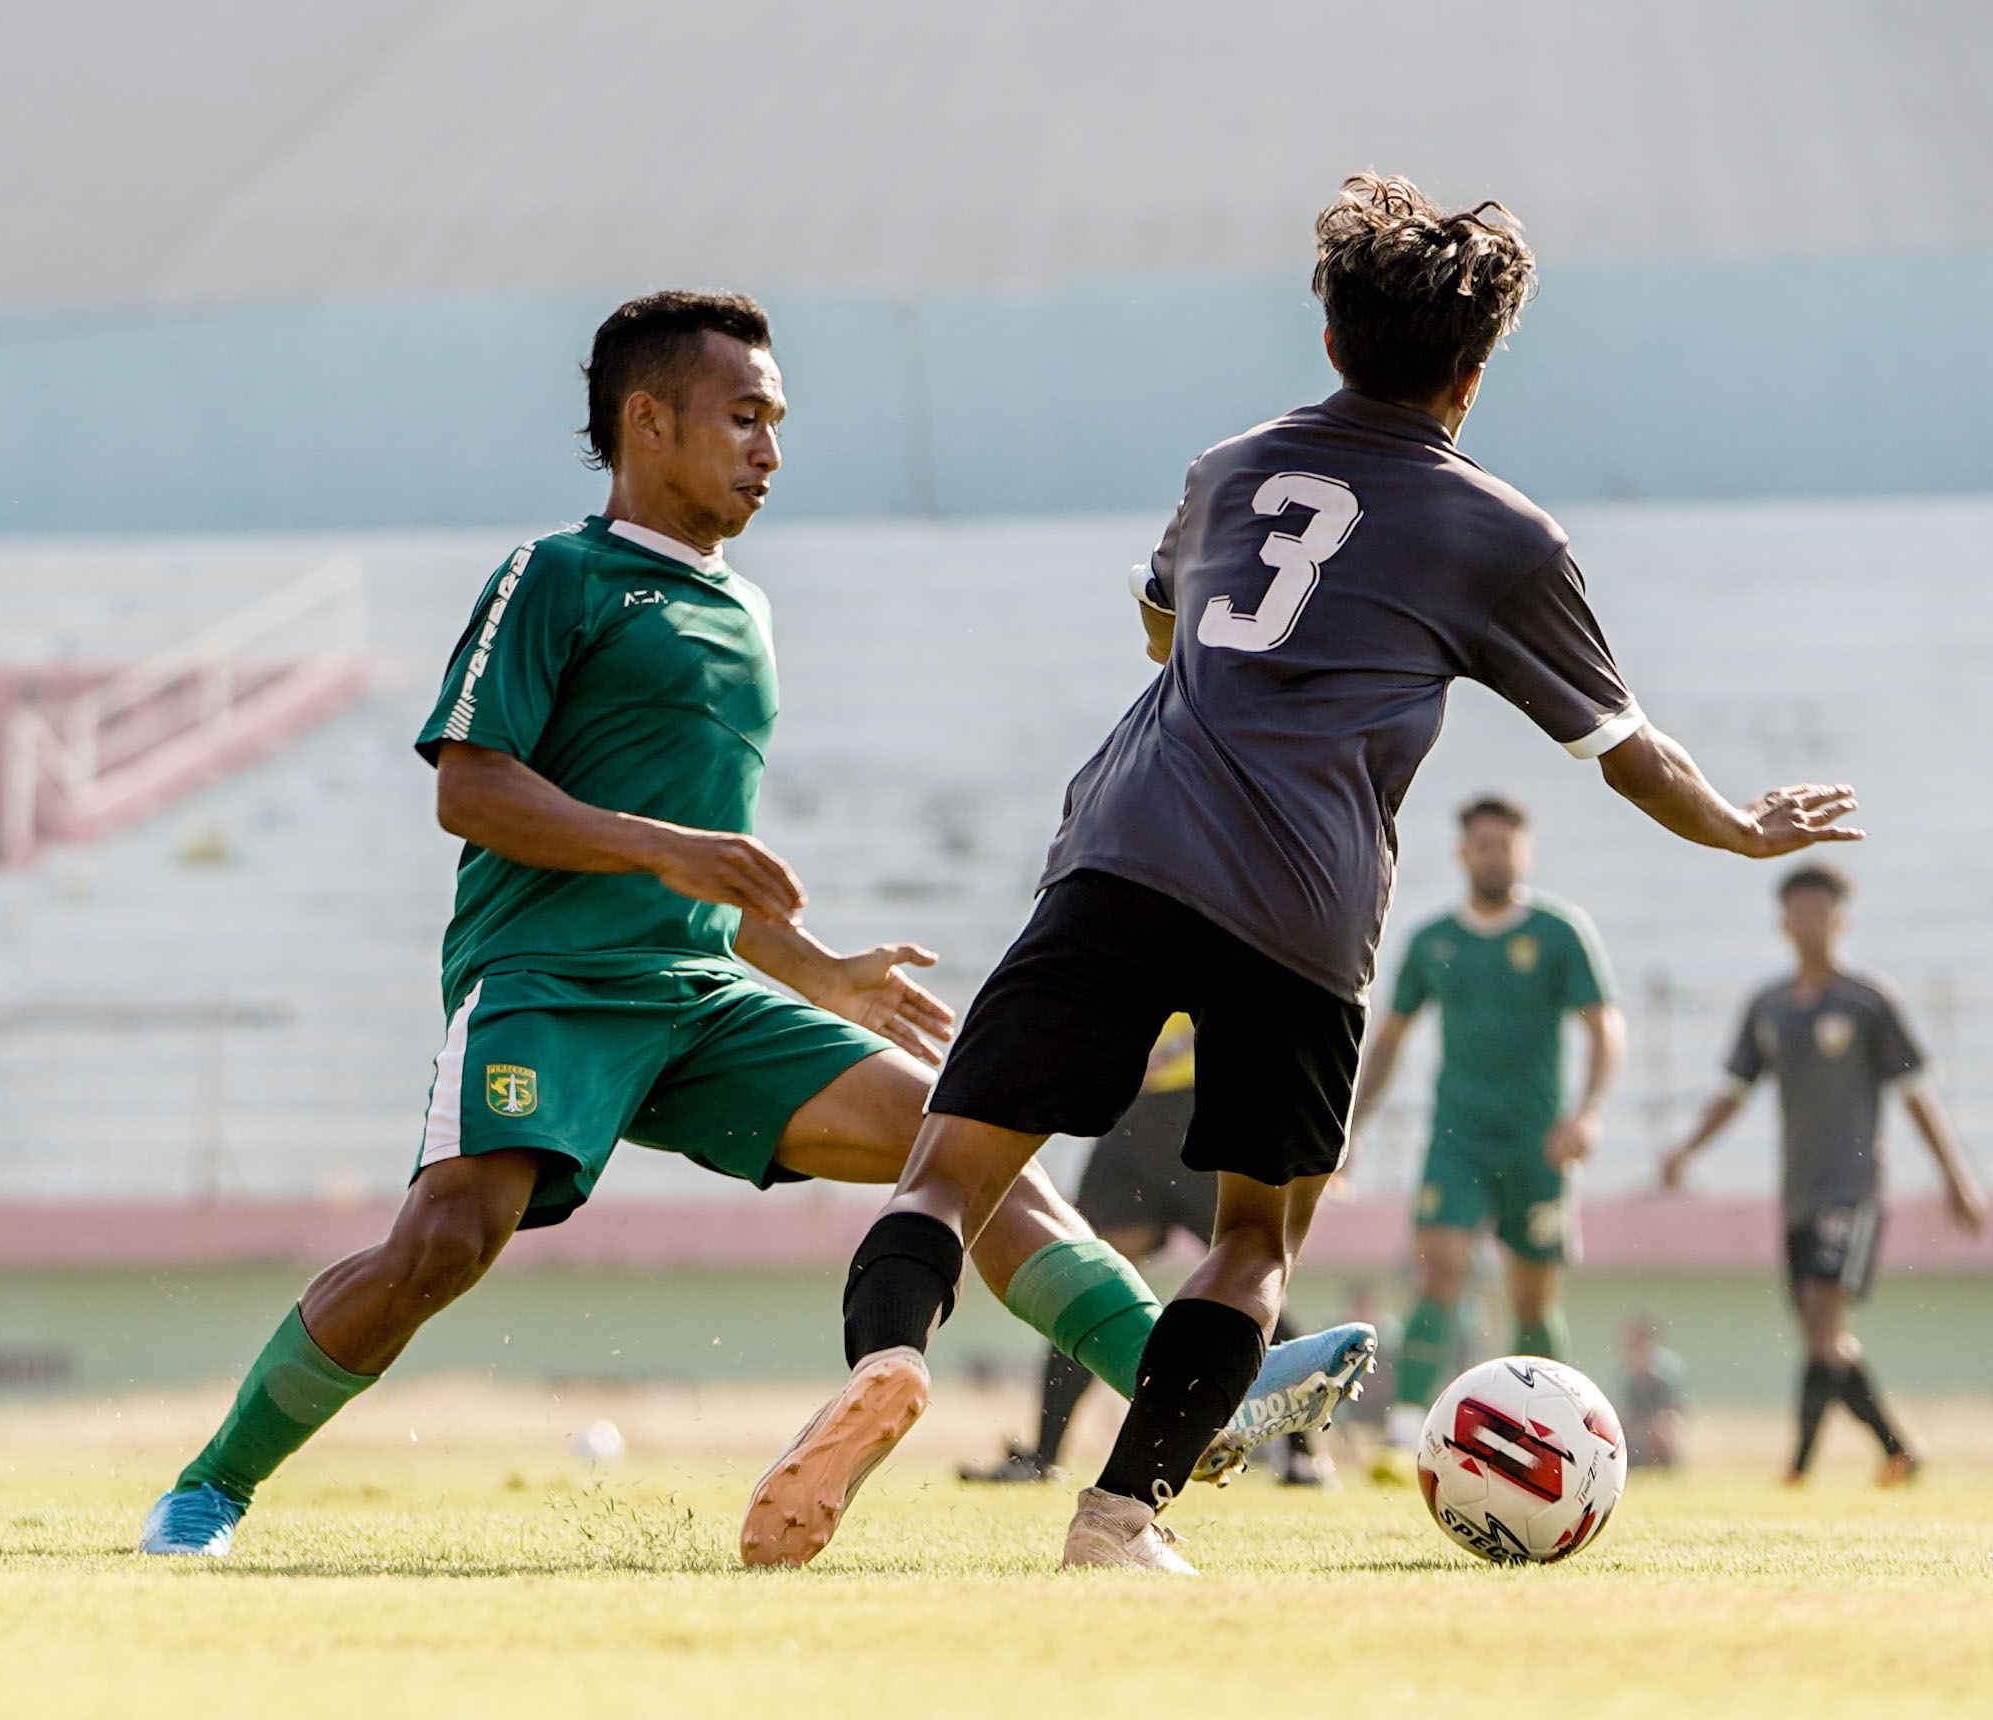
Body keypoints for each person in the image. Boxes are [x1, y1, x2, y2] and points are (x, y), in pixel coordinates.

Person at [746, 172, 1867, 1575]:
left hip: (1125, 850)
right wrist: (1744, 830)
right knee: (1254, 1242)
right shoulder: (1503, 534)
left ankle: (890, 1361)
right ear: (1475, 371)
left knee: (943, 1181)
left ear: (1329, 337)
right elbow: (1624, 750)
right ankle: (1118, 1518)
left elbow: (1165, 632)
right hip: (1303, 907)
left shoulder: (1230, 468)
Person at [135, 291, 1335, 1557]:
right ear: (647, 421)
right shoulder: (557, 576)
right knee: (443, 1243)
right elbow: (468, 788)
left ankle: (1193, 1382)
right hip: (549, 983)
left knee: (966, 1148)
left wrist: (819, 970)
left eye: (778, 420)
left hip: (704, 1000)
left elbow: (719, 875)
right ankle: (207, 1490)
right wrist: (671, 850)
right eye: (745, 417)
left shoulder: (746, 613)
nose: (771, 449)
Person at [1660, 863, 1986, 1485]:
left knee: (1820, 1315)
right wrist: (1685, 1151)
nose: (1810, 924)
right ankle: (1894, 1450)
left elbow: (1916, 1095)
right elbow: (1733, 1091)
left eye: (1822, 911)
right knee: (1819, 1333)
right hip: (1799, 1195)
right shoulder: (1769, 1007)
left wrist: (1956, 1178)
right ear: (1784, 922)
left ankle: (1802, 1466)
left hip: (1853, 1190)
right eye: (1799, 911)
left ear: (1840, 920)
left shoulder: (1869, 1001)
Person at [1349, 793, 1622, 1473]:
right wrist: (1352, 1127)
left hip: (1538, 1143)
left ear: (1523, 852)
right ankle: (1404, 1431)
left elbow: (1603, 1026)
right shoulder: (1434, 941)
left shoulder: (1560, 933)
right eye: (1482, 844)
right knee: (1439, 1267)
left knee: (1532, 1298)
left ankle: (1557, 1436)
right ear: (1462, 853)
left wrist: (1587, 1111)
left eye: (1506, 844)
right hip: (1457, 1138)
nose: (1494, 855)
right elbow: (1388, 1042)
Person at [959, 1015, 1334, 1488]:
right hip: (1133, 1121)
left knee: (1249, 1260)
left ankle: (1304, 1455)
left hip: (1204, 1104)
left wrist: (1174, 1050)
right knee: (1084, 1273)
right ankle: (1043, 1455)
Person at [1619, 1313, 1688, 1470]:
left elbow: (1675, 1413)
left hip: (1660, 1430)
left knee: (1662, 1432)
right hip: (1637, 1433)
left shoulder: (1667, 1373)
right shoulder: (1628, 1376)